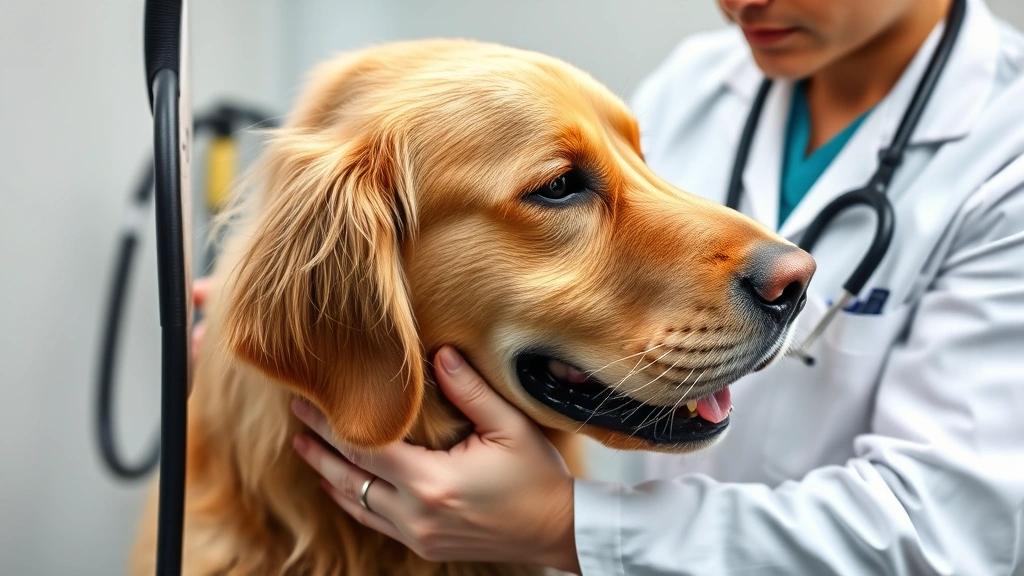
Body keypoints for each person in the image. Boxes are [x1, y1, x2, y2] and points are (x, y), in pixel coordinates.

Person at [199, 0, 1024, 573]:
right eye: (563, 185)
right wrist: (307, 324)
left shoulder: (1006, 147)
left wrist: (565, 527)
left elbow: (950, 537)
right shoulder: (700, 81)